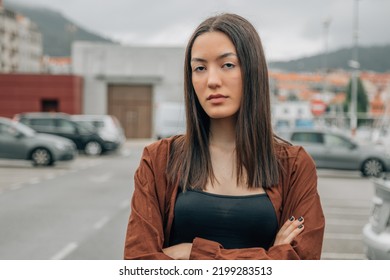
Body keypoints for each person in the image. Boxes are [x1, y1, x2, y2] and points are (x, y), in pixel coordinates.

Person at [124, 13, 325, 260]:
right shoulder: (158, 159)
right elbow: (139, 262)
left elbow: (300, 263)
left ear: (253, 70)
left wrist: (192, 252)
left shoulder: (294, 166)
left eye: (227, 65)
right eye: (199, 68)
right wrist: (271, 254)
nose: (212, 80)